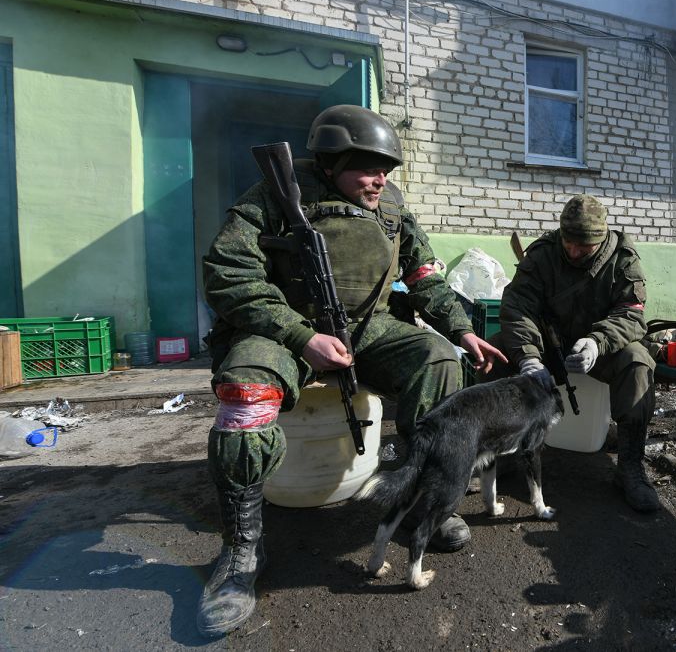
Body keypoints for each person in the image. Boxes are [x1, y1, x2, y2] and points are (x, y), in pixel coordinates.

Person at [196, 104, 506, 637]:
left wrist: (460, 331)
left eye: (385, 168)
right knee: (245, 398)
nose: (379, 178)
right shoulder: (273, 194)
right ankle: (241, 551)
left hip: (368, 327)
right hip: (284, 328)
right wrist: (300, 336)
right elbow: (228, 273)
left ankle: (420, 501)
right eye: (366, 167)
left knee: (437, 363)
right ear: (330, 160)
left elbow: (425, 275)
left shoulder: (391, 206)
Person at [497, 194, 659, 514]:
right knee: (495, 352)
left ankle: (630, 467)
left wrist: (598, 342)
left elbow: (631, 314)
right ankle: (494, 457)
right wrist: (528, 356)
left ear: (601, 239)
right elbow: (517, 306)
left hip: (600, 346)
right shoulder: (543, 254)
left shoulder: (622, 259)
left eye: (583, 247)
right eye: (568, 242)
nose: (573, 251)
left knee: (638, 362)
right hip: (546, 342)